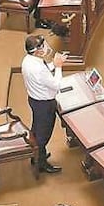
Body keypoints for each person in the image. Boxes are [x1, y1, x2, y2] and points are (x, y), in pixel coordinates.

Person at [21, 34, 65, 173]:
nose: (46, 47)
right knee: (43, 135)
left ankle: (37, 154)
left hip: (34, 100)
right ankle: (41, 163)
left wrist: (53, 64)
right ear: (37, 50)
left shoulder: (28, 60)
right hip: (44, 105)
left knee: (36, 129)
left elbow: (43, 73)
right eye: (43, 45)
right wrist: (58, 66)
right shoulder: (38, 68)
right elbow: (56, 85)